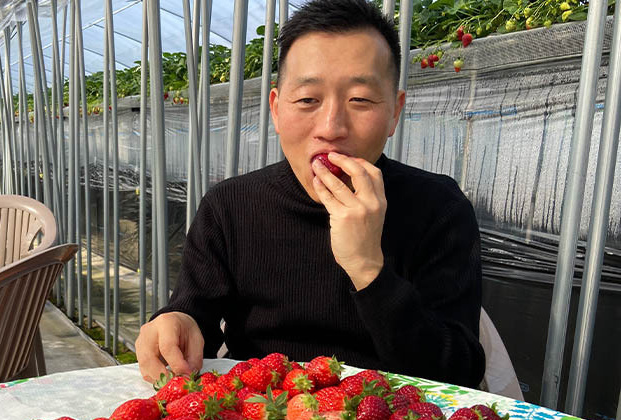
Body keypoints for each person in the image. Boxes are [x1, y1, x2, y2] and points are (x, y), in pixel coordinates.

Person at [135, 0, 486, 388]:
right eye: (307, 100)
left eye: (361, 100)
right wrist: (175, 322)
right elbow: (193, 318)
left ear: (395, 113)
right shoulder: (230, 206)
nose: (331, 126)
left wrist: (368, 267)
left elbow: (459, 374)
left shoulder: (438, 209)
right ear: (276, 110)